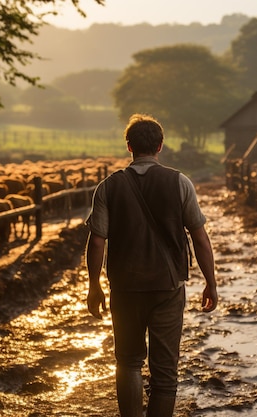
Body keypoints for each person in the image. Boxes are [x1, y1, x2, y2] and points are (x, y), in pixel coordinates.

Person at [86, 113, 218, 417]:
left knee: (128, 362)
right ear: (160, 146)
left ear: (129, 146)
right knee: (165, 373)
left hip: (125, 287)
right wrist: (210, 282)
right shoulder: (180, 182)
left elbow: (96, 241)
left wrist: (94, 286)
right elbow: (200, 238)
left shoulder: (108, 187)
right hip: (168, 287)